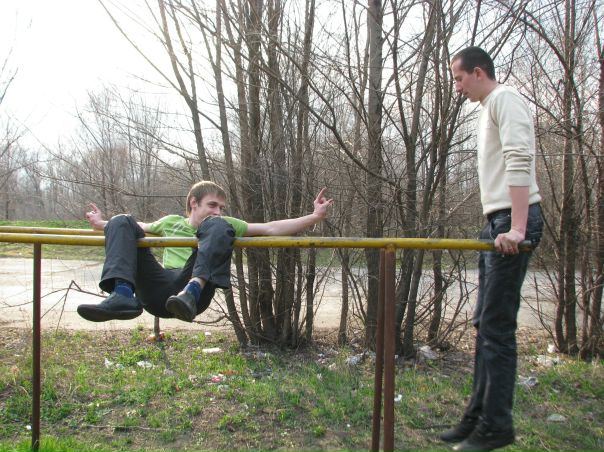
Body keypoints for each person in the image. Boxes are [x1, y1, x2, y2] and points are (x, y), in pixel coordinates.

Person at [443, 47, 544, 452]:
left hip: (513, 221)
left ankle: (496, 426)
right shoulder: (487, 108)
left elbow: (520, 159)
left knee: (497, 329)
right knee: (484, 324)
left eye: (459, 78)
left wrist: (517, 228)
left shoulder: (505, 99)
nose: (457, 87)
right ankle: (476, 416)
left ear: (478, 72)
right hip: (497, 222)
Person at [77, 181, 333, 323]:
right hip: (157, 291)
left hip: (193, 296)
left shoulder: (223, 224)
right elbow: (134, 227)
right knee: (122, 220)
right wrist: (102, 223)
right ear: (193, 203)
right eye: (212, 205)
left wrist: (314, 217)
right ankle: (122, 295)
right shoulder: (170, 222)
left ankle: (192, 289)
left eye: (221, 207)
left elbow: (270, 228)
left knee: (218, 227)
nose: (218, 211)